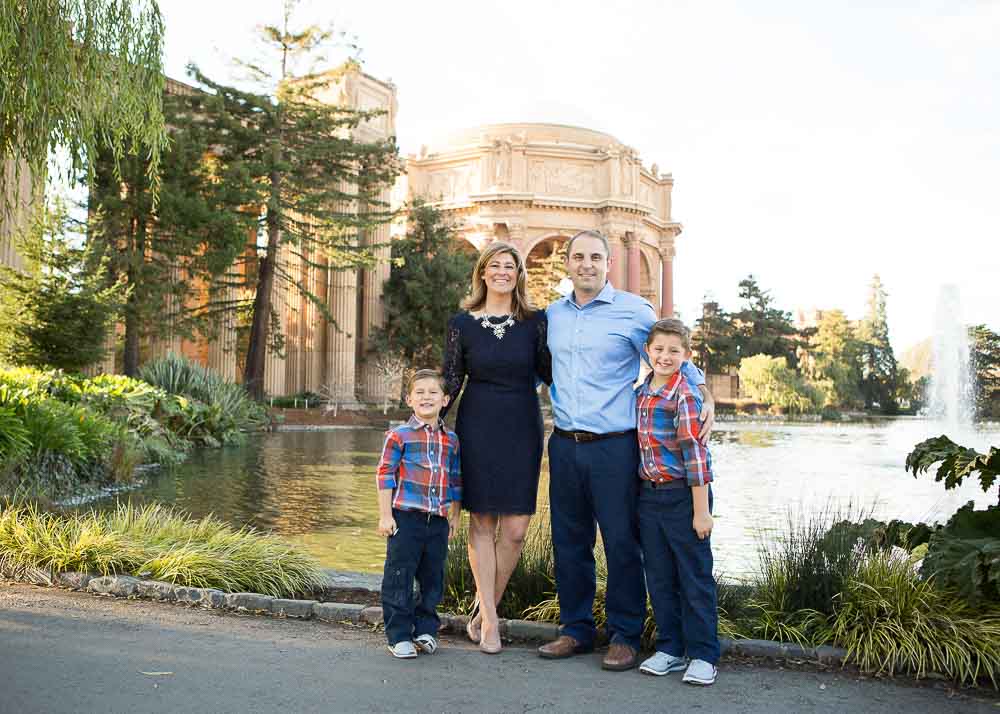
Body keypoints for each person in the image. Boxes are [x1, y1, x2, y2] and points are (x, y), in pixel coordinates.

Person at [538, 229, 714, 671]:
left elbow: (671, 357)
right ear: (568, 263)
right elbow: (537, 370)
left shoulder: (634, 312)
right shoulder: (552, 316)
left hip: (615, 447)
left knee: (621, 543)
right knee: (569, 541)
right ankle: (575, 629)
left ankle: (624, 635)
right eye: (578, 257)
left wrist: (704, 393)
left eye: (596, 257)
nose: (587, 264)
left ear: (609, 263)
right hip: (564, 443)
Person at [442, 241, 551, 655]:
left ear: (518, 274)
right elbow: (452, 379)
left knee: (517, 530)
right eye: (496, 265)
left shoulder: (535, 322)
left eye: (511, 266)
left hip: (523, 424)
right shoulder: (461, 323)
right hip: (478, 424)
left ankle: (482, 608)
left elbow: (552, 372)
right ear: (483, 273)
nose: (504, 271)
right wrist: (426, 420)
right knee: (483, 523)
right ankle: (489, 619)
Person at [635, 319, 719, 685]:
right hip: (649, 497)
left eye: (674, 351)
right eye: (659, 350)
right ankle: (670, 648)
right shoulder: (641, 391)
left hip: (684, 496)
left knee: (694, 576)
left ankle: (703, 654)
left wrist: (701, 511)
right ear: (647, 352)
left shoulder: (684, 394)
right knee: (659, 576)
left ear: (686, 356)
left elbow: (695, 454)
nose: (665, 356)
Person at [375, 369, 462, 659]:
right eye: (420, 393)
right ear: (409, 399)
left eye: (433, 392)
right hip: (406, 519)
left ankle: (426, 630)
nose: (427, 397)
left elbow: (455, 480)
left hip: (437, 520)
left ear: (445, 399)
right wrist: (385, 516)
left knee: (432, 578)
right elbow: (384, 475)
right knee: (399, 577)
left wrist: (455, 515)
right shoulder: (398, 436)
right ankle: (398, 635)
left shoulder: (451, 440)